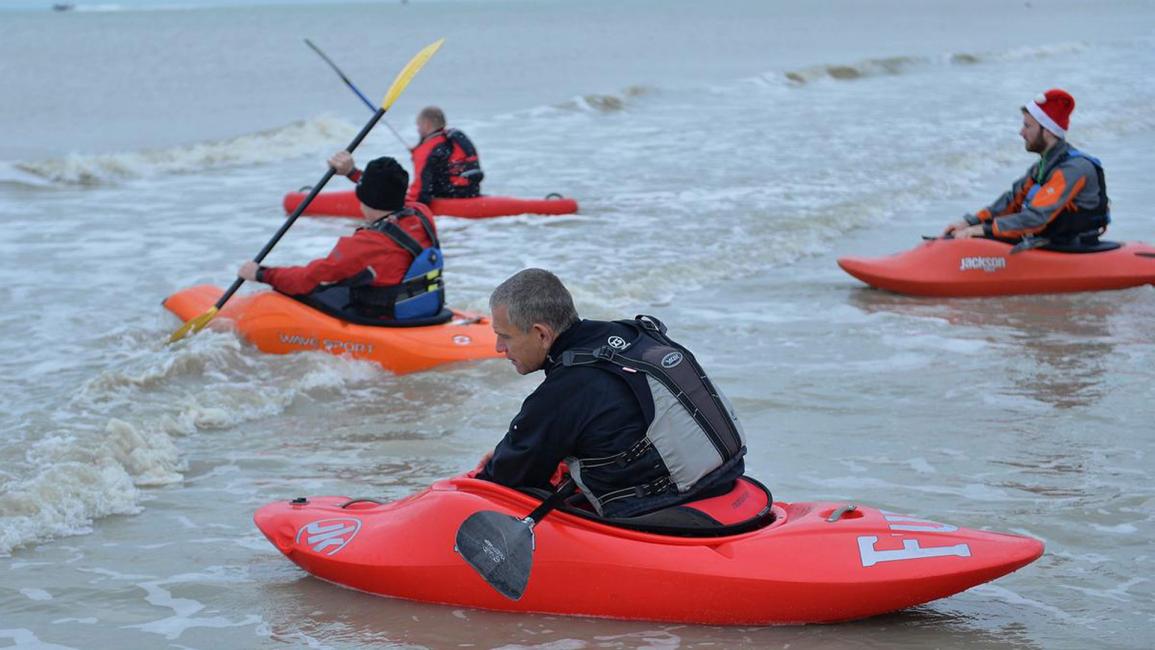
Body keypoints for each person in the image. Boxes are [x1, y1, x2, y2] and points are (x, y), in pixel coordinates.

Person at [475, 268, 748, 519]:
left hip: (668, 506)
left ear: (541, 334)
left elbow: (503, 479)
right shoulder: (629, 333)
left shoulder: (566, 388)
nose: (500, 348)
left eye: (505, 336)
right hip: (726, 476)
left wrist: (505, 459)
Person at [239, 154, 445, 322]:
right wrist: (352, 173)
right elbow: (394, 194)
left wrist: (261, 274)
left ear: (364, 200)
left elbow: (306, 279)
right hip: (427, 306)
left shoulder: (366, 243)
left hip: (386, 316)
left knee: (303, 289)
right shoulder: (421, 212)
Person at [944, 89, 1110, 246]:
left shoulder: (1073, 169)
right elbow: (1012, 200)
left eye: (1028, 126)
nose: (1021, 132)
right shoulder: (1044, 166)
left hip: (1075, 247)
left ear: (1048, 131)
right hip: (1051, 240)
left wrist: (983, 230)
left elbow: (1037, 218)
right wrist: (970, 222)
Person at [406, 106, 484, 206]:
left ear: (426, 124)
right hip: (469, 191)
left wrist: (408, 204)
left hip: (448, 195)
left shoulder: (429, 148)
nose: (418, 129)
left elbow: (420, 186)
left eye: (419, 126)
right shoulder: (451, 139)